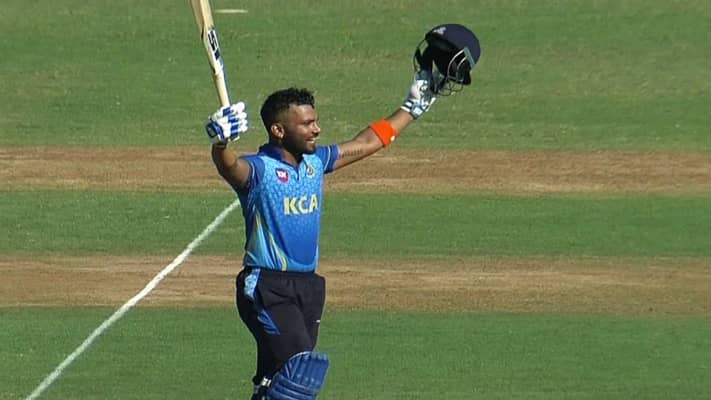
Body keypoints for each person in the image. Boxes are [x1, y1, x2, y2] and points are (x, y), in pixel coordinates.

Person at [203, 23, 479, 400]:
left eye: (315, 120)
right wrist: (221, 143)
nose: (317, 129)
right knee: (299, 374)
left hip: (308, 287)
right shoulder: (259, 171)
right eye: (307, 124)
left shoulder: (315, 163)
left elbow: (367, 142)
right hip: (267, 287)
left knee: (274, 382)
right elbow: (229, 166)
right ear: (278, 130)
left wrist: (411, 109)